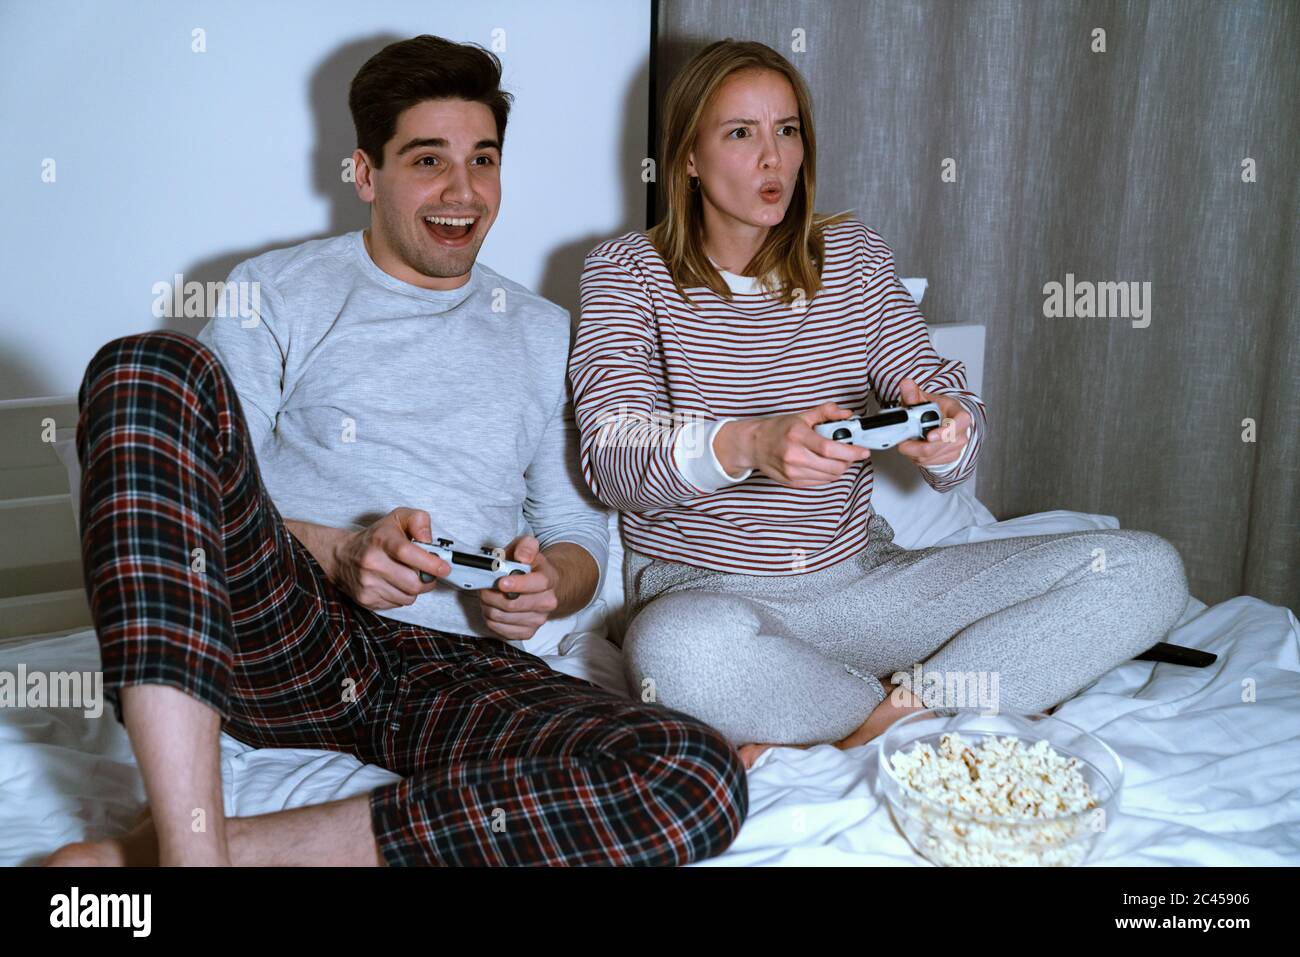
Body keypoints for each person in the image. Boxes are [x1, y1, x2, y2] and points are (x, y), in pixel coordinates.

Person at [45, 34, 746, 867]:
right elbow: (197, 494)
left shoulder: (547, 332)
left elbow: (579, 539)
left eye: (482, 160)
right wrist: (339, 552)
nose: (462, 191)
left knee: (693, 774)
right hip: (289, 628)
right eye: (427, 160)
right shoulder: (275, 291)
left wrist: (551, 584)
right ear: (366, 174)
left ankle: (208, 853)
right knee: (145, 367)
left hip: (453, 666)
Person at [568, 39, 1191, 769]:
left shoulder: (854, 255)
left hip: (865, 587)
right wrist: (751, 443)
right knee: (675, 657)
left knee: (1147, 569)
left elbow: (939, 388)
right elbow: (611, 455)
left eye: (788, 129)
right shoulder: (626, 272)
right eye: (741, 133)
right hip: (710, 599)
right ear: (689, 159)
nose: (774, 159)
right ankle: (931, 703)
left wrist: (950, 431)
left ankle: (891, 716)